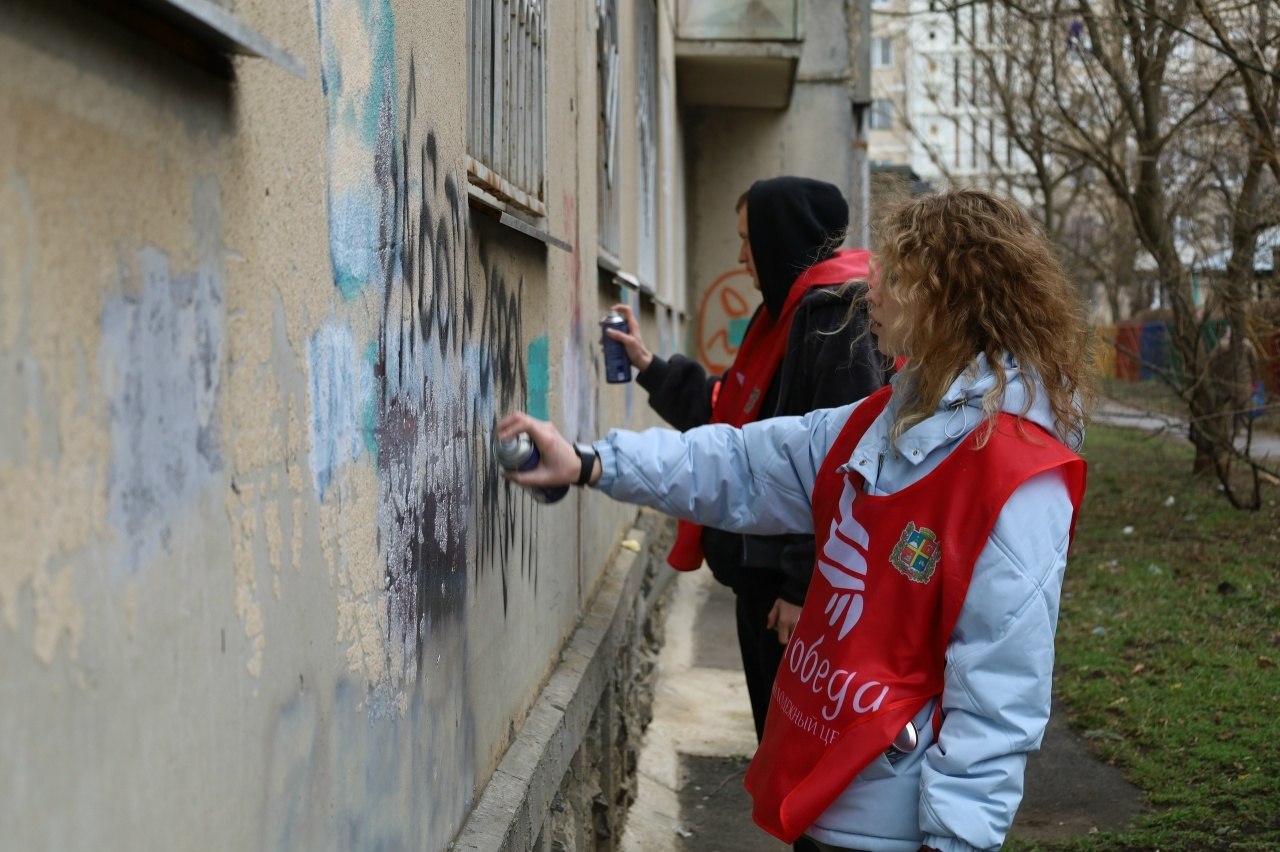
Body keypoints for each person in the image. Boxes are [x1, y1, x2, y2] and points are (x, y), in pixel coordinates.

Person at [499, 187, 1094, 852]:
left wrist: (954, 842)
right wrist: (591, 461)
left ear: (949, 298)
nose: (871, 289)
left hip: (897, 830)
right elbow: (740, 463)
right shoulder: (882, 420)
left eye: (895, 276)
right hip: (827, 792)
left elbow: (999, 692)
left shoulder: (1017, 475)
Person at [606, 176, 889, 752]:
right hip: (764, 579)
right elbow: (736, 422)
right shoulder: (785, 317)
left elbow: (846, 464)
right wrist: (649, 365)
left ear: (778, 237)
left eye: (747, 239)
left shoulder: (836, 319)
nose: (741, 257)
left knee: (800, 754)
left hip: (793, 593)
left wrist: (802, 584)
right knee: (779, 748)